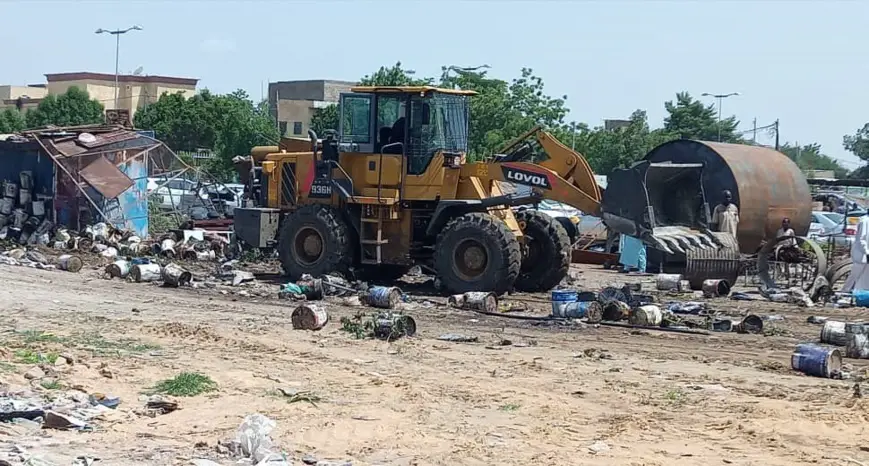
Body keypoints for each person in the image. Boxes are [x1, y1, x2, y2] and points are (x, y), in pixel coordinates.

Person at [843, 212, 869, 292]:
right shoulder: (865, 221)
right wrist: (867, 252)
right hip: (861, 254)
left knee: (864, 278)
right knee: (854, 275)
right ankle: (844, 292)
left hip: (865, 254)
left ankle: (859, 293)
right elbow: (862, 239)